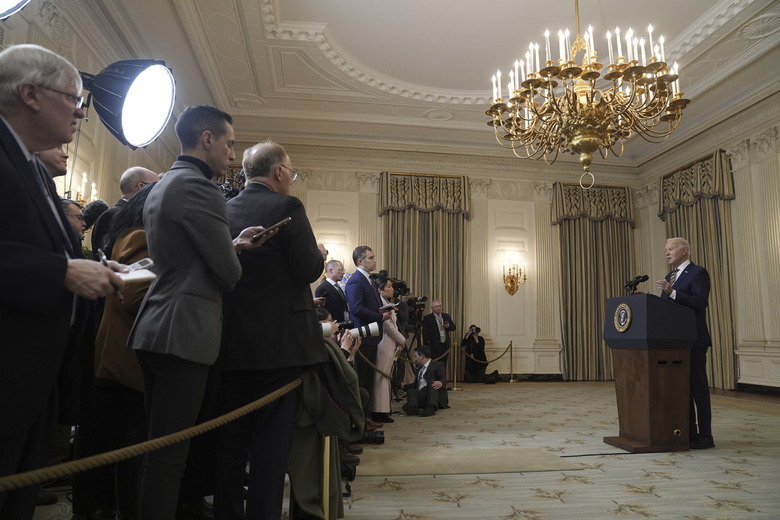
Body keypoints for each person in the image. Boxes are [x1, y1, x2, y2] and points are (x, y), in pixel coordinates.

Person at [127, 105, 272, 519]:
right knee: (169, 457)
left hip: (156, 324)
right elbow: (227, 275)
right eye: (228, 144)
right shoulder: (201, 189)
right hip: (184, 332)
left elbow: (182, 256)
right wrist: (235, 255)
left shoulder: (164, 182)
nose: (231, 154)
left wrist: (233, 242)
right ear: (207, 139)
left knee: (157, 450)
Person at [0, 43, 124, 519]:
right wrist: (63, 271)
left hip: (32, 381)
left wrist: (97, 269)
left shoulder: (31, 166)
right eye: (73, 98)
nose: (79, 112)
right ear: (30, 93)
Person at [216, 140, 328, 520]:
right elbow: (308, 270)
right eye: (291, 173)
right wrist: (321, 256)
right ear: (278, 172)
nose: (291, 181)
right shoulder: (287, 206)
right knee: (270, 444)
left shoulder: (224, 208)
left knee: (231, 440)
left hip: (230, 341)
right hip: (280, 345)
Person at [72, 182, 156, 519]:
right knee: (116, 446)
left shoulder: (131, 233)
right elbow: (136, 297)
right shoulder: (140, 237)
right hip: (124, 356)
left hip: (116, 354)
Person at [655, 237, 714, 450]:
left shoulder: (698, 272)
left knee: (698, 388)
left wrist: (672, 292)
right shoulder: (670, 276)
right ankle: (690, 431)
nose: (667, 253)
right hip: (676, 341)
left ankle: (706, 436)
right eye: (665, 249)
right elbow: (665, 307)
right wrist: (647, 300)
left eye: (670, 249)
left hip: (695, 339)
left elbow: (700, 302)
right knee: (682, 389)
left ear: (684, 250)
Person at [345, 246, 388, 393]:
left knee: (369, 379)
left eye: (373, 257)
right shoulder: (355, 281)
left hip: (372, 335)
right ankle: (362, 415)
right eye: (370, 258)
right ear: (360, 261)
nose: (374, 261)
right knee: (362, 379)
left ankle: (368, 414)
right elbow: (357, 309)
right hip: (363, 336)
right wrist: (380, 316)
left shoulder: (369, 279)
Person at [91, 166, 159, 258]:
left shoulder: (132, 215)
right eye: (156, 187)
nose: (159, 192)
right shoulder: (112, 215)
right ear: (141, 187)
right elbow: (105, 256)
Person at [370, 273, 406, 423]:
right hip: (384, 343)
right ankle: (379, 411)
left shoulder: (385, 301)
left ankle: (384, 409)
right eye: (389, 286)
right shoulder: (381, 304)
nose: (392, 289)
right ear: (380, 290)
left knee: (386, 377)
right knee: (382, 377)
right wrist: (402, 340)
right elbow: (388, 326)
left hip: (390, 343)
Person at [402, 345, 447, 417]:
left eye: (416, 356)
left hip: (434, 396)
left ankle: (431, 408)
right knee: (411, 390)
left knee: (431, 382)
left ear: (422, 356)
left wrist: (440, 383)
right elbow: (417, 384)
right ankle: (413, 408)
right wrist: (402, 386)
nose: (415, 359)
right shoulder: (420, 368)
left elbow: (444, 379)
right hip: (423, 396)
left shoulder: (437, 365)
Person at [422, 299, 456, 364]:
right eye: (436, 306)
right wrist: (428, 345)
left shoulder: (446, 316)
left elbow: (453, 327)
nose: (439, 308)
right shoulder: (427, 318)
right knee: (434, 366)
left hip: (445, 346)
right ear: (432, 308)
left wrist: (448, 326)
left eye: (440, 306)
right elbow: (425, 333)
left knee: (443, 366)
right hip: (433, 347)